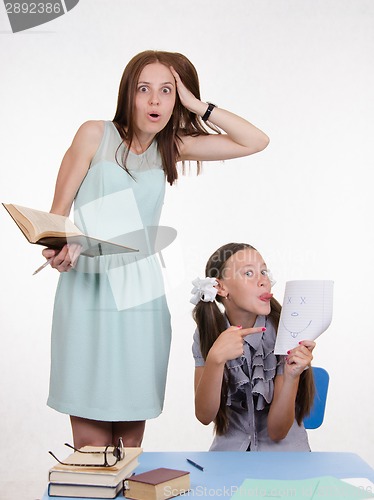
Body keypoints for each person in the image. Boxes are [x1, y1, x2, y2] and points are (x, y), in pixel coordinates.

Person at [42, 50, 270, 449]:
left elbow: (255, 141)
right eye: (143, 89)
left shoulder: (172, 146)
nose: (154, 101)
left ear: (178, 99)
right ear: (127, 93)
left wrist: (200, 106)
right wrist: (62, 245)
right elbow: (55, 221)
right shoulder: (94, 134)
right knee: (92, 447)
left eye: (166, 91)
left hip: (140, 292)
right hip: (88, 287)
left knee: (129, 447)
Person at [191, 242, 315, 451]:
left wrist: (292, 376)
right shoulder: (207, 333)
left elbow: (277, 431)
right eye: (249, 273)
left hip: (285, 457)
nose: (263, 281)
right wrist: (215, 360)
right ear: (220, 288)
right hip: (229, 456)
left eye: (264, 272)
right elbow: (204, 416)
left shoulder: (286, 331)